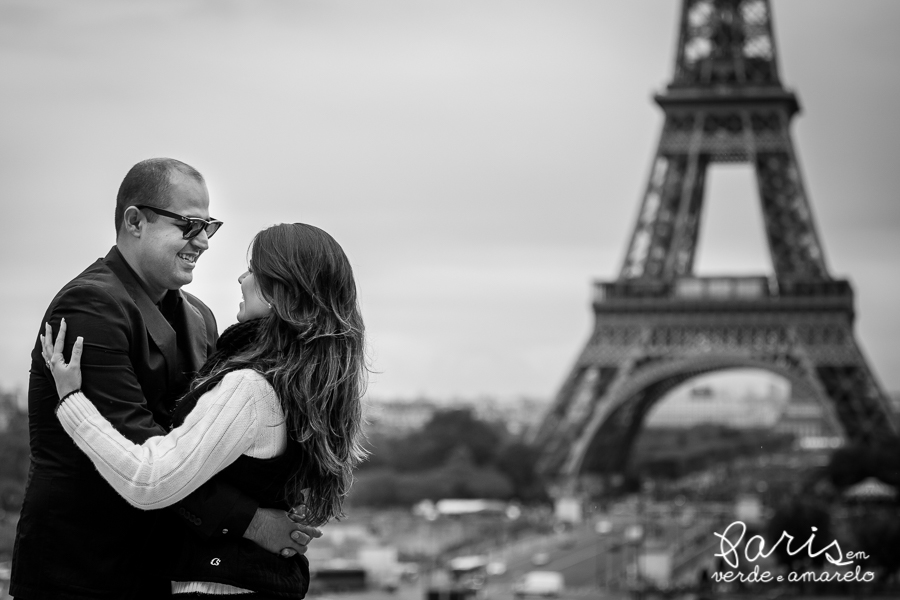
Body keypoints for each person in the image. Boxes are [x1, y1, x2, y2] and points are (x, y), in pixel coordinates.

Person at [11, 159, 319, 600]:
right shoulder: (88, 308)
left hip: (164, 570)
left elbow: (207, 449)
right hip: (83, 572)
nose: (203, 242)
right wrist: (253, 521)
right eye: (189, 225)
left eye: (208, 226)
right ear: (134, 221)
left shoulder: (201, 317)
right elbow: (143, 454)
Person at [41, 222, 368, 598]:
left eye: (253, 269)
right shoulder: (300, 387)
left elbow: (150, 481)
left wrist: (72, 403)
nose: (241, 277)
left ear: (278, 291)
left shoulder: (249, 388)